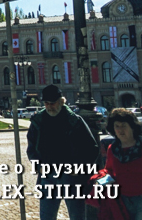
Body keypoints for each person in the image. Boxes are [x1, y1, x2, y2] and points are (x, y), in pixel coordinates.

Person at [27, 84, 99, 220]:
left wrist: (79, 167)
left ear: (61, 101)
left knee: (77, 216)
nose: (49, 106)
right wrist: (38, 166)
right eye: (46, 103)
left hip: (71, 176)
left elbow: (92, 148)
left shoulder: (75, 121)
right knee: (47, 216)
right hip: (47, 175)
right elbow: (31, 149)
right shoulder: (38, 121)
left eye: (52, 103)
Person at [105, 108, 142, 220]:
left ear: (132, 127)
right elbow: (109, 170)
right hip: (121, 200)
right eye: (117, 126)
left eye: (124, 125)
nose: (120, 130)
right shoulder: (113, 149)